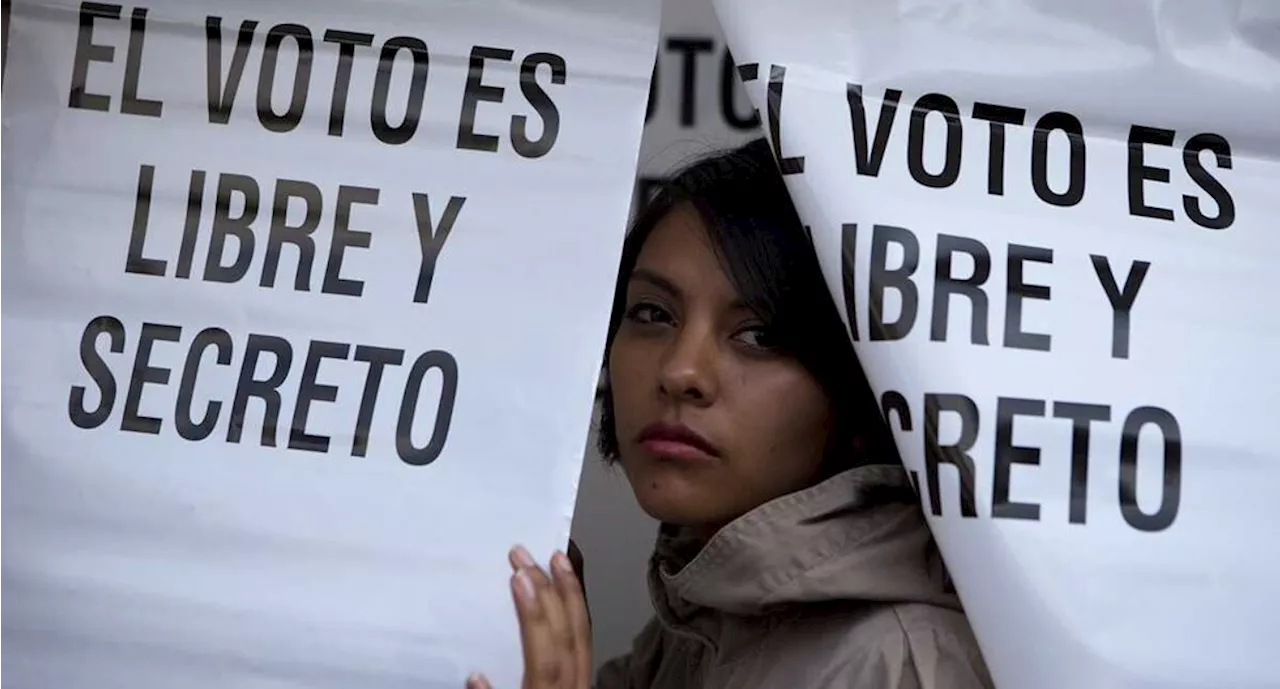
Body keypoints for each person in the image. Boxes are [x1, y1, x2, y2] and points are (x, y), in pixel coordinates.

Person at [467, 139, 993, 689]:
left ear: (857, 382)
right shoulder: (703, 613)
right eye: (652, 313)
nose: (680, 372)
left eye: (759, 335)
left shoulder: (897, 664)